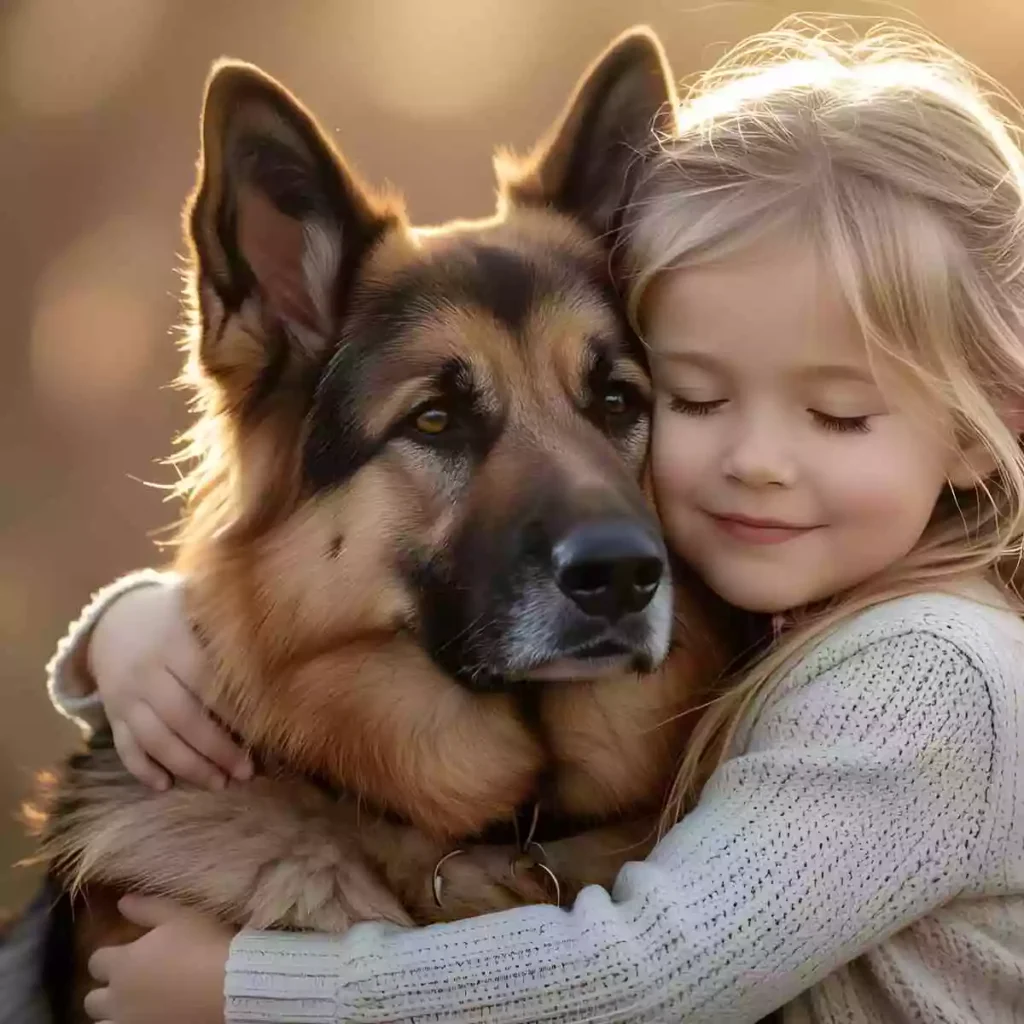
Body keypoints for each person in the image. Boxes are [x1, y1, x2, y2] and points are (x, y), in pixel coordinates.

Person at [46, 20, 1024, 1024]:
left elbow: (652, 970)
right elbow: (264, 567)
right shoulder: (785, 594)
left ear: (980, 431)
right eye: (437, 421)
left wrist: (249, 988)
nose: (759, 462)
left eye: (611, 404)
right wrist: (139, 624)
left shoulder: (916, 675)